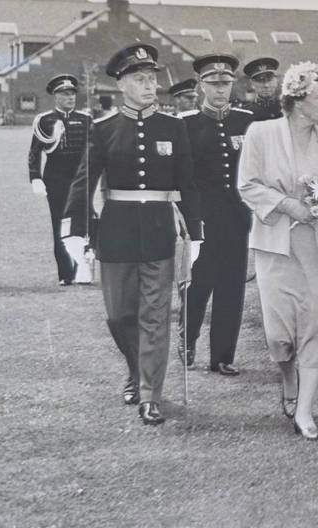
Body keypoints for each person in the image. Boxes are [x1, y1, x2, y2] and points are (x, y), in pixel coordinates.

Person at [66, 43, 202, 425]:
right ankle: (134, 369)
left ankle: (149, 394)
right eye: (140, 79)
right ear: (122, 84)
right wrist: (76, 232)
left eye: (152, 78)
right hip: (117, 231)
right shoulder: (104, 127)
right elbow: (84, 181)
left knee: (154, 316)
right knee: (119, 316)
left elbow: (188, 184)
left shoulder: (174, 127)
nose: (149, 86)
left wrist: (197, 234)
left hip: (159, 229)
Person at [239, 62, 318, 439]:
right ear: (297, 100)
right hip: (276, 245)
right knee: (279, 333)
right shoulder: (261, 133)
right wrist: (289, 205)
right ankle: (288, 379)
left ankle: (305, 411)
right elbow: (248, 185)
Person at [181, 55, 255, 376]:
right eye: (214, 84)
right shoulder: (186, 124)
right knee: (199, 284)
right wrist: (191, 223)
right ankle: (188, 337)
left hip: (237, 218)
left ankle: (223, 356)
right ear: (201, 86)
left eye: (226, 83)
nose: (221, 89)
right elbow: (184, 179)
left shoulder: (246, 121)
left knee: (232, 287)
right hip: (203, 219)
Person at [29, 74, 93, 286]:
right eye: (65, 94)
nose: (70, 97)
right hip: (55, 178)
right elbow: (35, 153)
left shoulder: (86, 120)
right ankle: (65, 273)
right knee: (59, 225)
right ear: (55, 96)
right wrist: (35, 177)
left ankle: (81, 270)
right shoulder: (45, 120)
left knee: (81, 225)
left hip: (80, 180)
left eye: (73, 94)